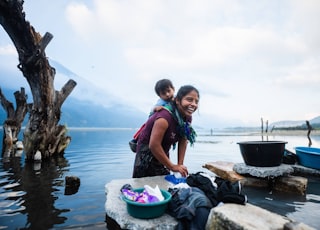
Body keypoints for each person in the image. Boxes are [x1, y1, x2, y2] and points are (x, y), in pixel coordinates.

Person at [132, 85, 199, 178]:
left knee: (164, 184)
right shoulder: (164, 117)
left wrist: (180, 166)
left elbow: (183, 140)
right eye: (189, 99)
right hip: (146, 157)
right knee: (144, 186)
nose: (194, 104)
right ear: (177, 100)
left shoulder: (186, 118)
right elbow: (154, 145)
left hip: (162, 154)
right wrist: (172, 166)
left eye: (196, 101)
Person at [129, 79, 175, 152]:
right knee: (144, 129)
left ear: (173, 89)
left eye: (168, 91)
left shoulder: (176, 99)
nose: (167, 94)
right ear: (160, 96)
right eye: (163, 93)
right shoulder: (161, 102)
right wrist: (156, 108)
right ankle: (134, 140)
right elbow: (153, 109)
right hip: (154, 120)